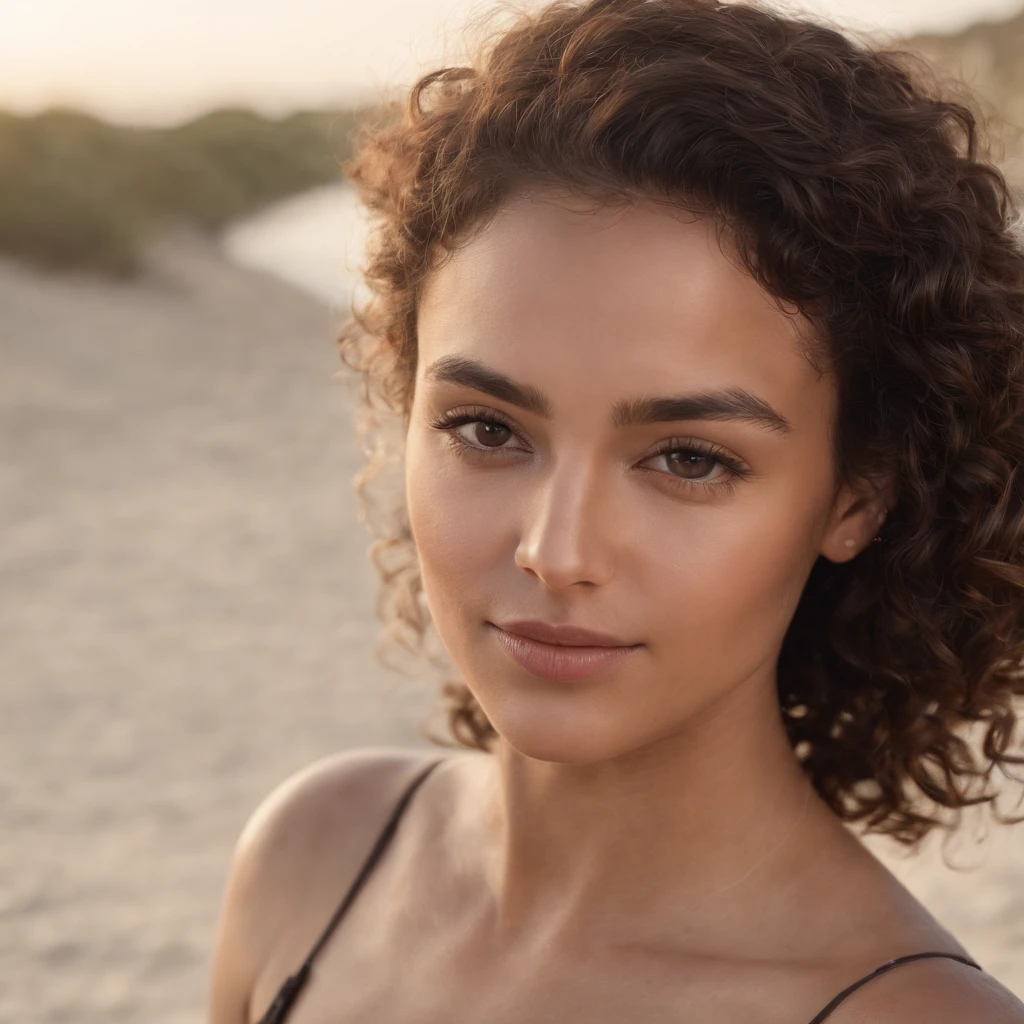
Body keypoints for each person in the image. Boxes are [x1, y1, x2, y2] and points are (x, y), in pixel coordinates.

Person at [206, 0, 1024, 1021]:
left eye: (688, 457)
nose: (556, 550)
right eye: (487, 429)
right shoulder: (311, 862)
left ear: (857, 496)